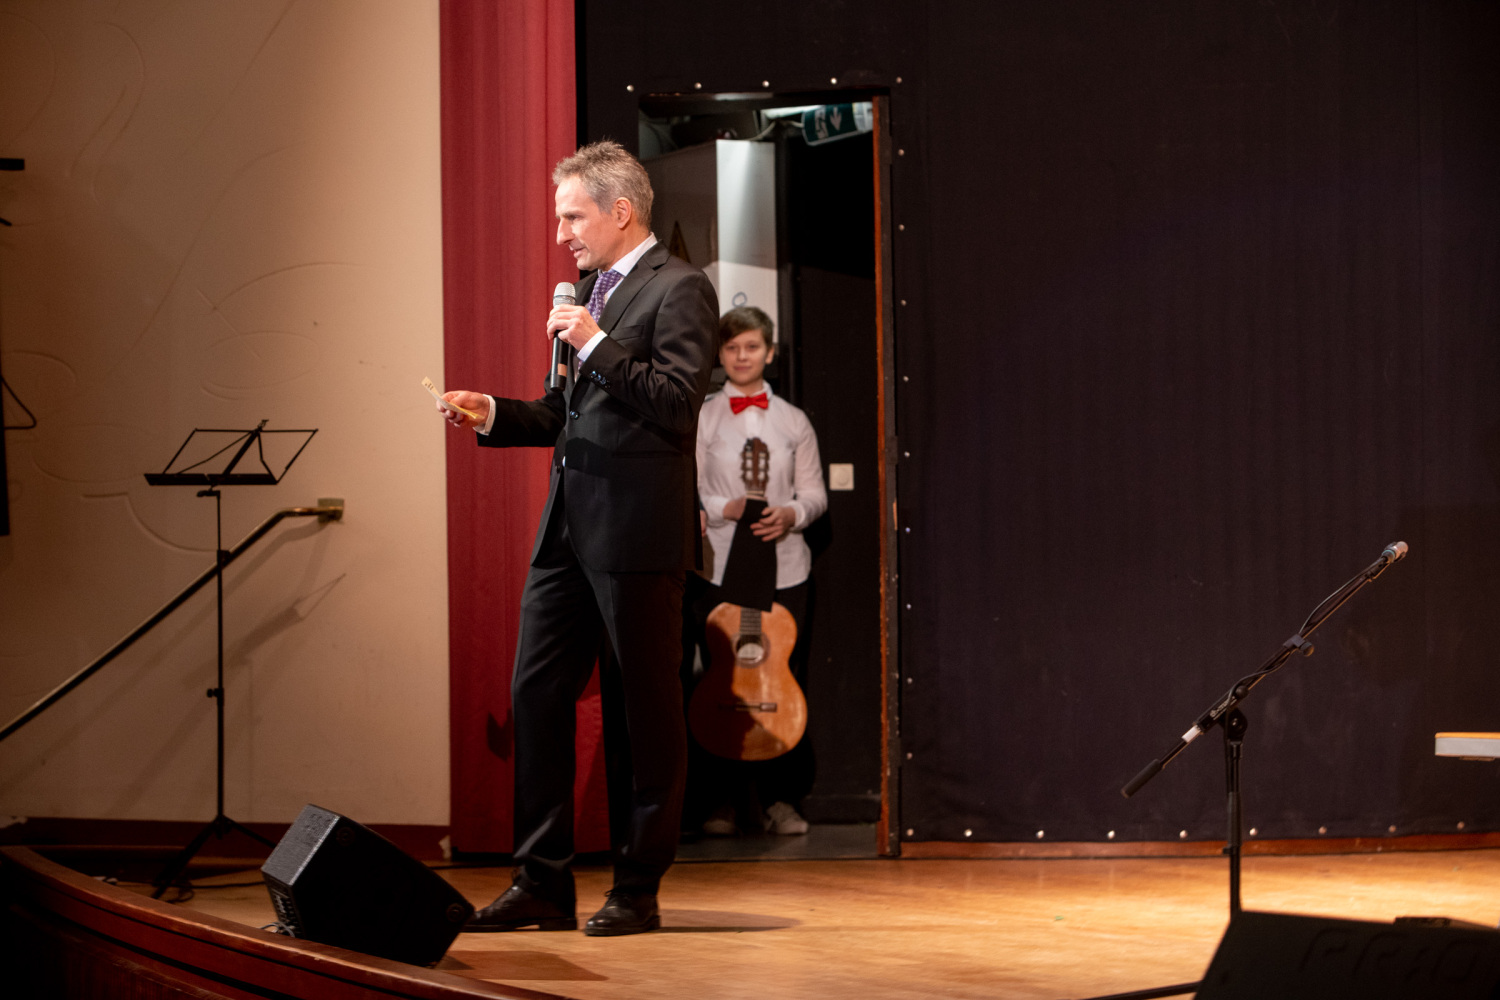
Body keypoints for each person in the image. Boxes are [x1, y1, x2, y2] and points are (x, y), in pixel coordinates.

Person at [439, 141, 717, 936]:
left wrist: (595, 340)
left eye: (572, 215)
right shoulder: (591, 295)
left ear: (618, 211)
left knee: (644, 716)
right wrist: (492, 411)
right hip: (566, 533)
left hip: (637, 539)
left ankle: (637, 888)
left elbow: (672, 401)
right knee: (536, 697)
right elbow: (565, 414)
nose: (561, 232)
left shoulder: (680, 289)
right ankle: (542, 882)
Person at [688, 305, 827, 837]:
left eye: (751, 347)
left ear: (769, 353)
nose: (741, 356)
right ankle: (719, 801)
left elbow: (814, 493)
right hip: (719, 564)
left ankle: (780, 800)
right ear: (720, 356)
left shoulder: (793, 420)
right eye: (731, 348)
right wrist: (727, 508)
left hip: (786, 566)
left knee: (782, 677)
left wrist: (791, 514)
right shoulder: (704, 416)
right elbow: (694, 485)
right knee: (718, 682)